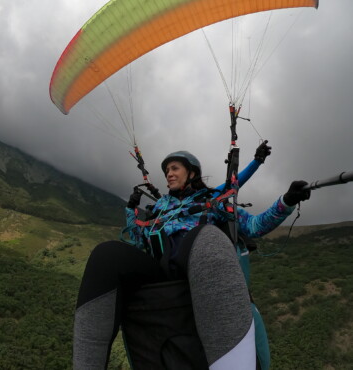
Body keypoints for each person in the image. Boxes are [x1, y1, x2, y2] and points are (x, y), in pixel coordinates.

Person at [73, 143, 310, 370]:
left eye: (175, 168)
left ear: (192, 172)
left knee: (206, 237)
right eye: (167, 170)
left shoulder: (211, 201)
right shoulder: (158, 209)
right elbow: (137, 240)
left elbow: (254, 226)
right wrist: (130, 211)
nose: (169, 174)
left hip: (201, 267)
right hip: (161, 275)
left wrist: (286, 201)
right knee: (106, 255)